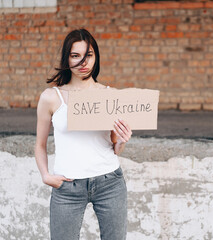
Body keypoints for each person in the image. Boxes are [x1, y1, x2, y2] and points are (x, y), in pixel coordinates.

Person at [34, 29, 132, 240]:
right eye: (75, 55)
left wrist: (122, 139)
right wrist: (45, 175)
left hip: (109, 182)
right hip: (67, 185)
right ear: (66, 58)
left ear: (96, 57)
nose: (82, 62)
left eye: (88, 55)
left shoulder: (110, 96)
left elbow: (115, 147)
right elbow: (40, 144)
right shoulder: (51, 97)